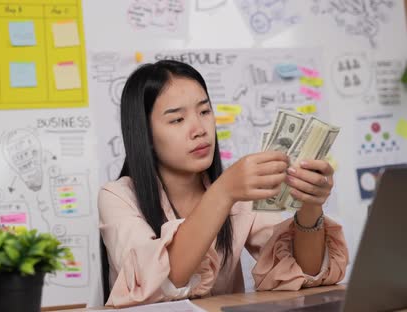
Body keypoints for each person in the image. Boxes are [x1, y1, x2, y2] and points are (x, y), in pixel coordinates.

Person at [98, 60, 349, 307]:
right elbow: (159, 283)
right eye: (177, 120)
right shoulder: (117, 197)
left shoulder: (237, 193)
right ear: (146, 135)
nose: (199, 129)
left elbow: (303, 273)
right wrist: (223, 192)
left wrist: (310, 206)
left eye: (205, 111)